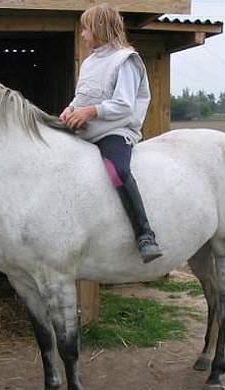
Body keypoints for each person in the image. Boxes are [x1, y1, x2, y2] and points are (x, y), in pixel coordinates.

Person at [59, 3, 163, 263]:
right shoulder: (91, 61)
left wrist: (89, 112)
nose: (82, 35)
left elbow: (124, 105)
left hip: (115, 131)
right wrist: (70, 110)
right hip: (88, 130)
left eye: (86, 29)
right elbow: (83, 97)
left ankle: (145, 235)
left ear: (100, 28)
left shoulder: (125, 60)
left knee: (118, 170)